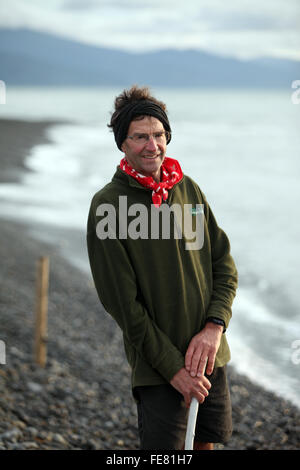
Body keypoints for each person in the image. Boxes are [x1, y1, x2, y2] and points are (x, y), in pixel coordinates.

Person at [86, 85, 238, 450]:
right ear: (122, 143)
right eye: (140, 137)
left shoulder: (188, 190)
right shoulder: (108, 205)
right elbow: (123, 306)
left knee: (206, 444)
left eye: (158, 135)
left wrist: (214, 328)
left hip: (208, 354)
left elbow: (223, 264)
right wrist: (173, 369)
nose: (152, 145)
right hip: (157, 369)